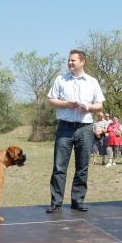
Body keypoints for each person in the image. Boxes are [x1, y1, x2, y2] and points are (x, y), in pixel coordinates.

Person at [45, 49, 105, 213]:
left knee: (82, 166)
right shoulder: (61, 79)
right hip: (65, 127)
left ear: (82, 62)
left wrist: (90, 107)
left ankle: (77, 201)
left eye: (73, 60)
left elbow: (99, 104)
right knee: (59, 166)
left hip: (85, 128)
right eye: (69, 60)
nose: (70, 63)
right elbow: (51, 100)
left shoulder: (92, 81)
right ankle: (56, 202)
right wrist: (66, 104)